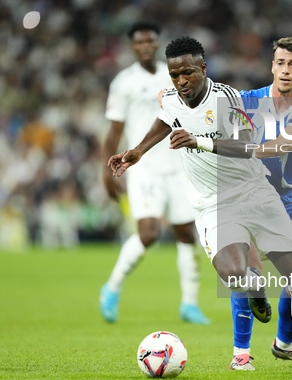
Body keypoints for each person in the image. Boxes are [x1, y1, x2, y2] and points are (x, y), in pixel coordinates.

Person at [108, 36, 292, 372]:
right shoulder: (173, 97)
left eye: (187, 74)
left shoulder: (229, 100)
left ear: (203, 69)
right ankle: (250, 317)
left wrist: (199, 141)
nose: (181, 81)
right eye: (174, 75)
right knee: (234, 274)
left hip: (259, 193)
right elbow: (166, 118)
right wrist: (137, 151)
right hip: (212, 203)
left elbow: (247, 144)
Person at [100, 22, 209, 325]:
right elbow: (114, 131)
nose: (146, 46)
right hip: (144, 168)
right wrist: (106, 172)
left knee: (187, 233)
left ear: (157, 43)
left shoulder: (174, 72)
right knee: (148, 233)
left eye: (151, 41)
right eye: (140, 42)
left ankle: (189, 304)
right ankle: (112, 287)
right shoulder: (124, 83)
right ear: (133, 47)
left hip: (178, 167)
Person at [228, 37, 292, 371]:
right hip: (244, 196)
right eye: (280, 62)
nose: (285, 70)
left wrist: (244, 148)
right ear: (272, 65)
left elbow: (284, 144)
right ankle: (241, 353)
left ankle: (284, 345)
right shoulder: (244, 100)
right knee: (248, 272)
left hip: (284, 199)